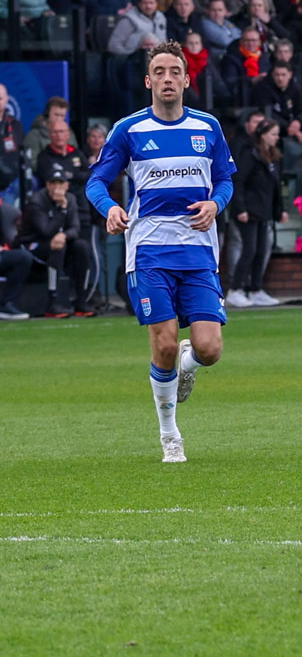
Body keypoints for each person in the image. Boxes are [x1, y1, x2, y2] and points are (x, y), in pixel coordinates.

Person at [86, 41, 236, 463]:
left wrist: (215, 204)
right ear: (148, 80)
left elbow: (225, 180)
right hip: (149, 250)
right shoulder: (129, 129)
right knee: (164, 345)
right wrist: (111, 207)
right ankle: (170, 434)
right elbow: (96, 182)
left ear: (187, 80)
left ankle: (188, 366)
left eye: (175, 71)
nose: (167, 78)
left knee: (209, 349)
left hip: (199, 251)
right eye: (160, 72)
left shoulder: (208, 127)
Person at [19, 169, 95, 317]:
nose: (57, 187)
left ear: (67, 185)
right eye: (53, 183)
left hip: (60, 241)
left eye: (61, 183)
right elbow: (46, 231)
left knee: (82, 246)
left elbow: (75, 227)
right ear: (47, 185)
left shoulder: (70, 198)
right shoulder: (37, 201)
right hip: (33, 244)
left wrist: (63, 234)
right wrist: (62, 209)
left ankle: (81, 299)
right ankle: (53, 302)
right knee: (57, 247)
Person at [226, 119, 286, 308]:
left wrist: (279, 209)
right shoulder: (250, 155)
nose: (276, 138)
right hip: (249, 211)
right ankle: (235, 289)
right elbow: (239, 182)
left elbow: (276, 187)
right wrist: (240, 208)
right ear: (263, 135)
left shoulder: (273, 158)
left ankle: (255, 289)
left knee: (261, 251)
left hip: (264, 210)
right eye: (273, 134)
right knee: (249, 249)